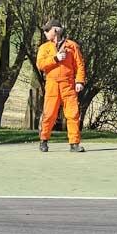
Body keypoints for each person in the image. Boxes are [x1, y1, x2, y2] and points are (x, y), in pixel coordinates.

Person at [36, 19, 87, 153]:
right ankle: (44, 140)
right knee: (49, 114)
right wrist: (55, 58)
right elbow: (40, 65)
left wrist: (79, 81)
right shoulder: (44, 48)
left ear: (56, 30)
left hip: (68, 84)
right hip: (52, 84)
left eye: (47, 30)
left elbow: (80, 65)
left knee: (73, 114)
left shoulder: (72, 46)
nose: (46, 33)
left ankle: (74, 143)